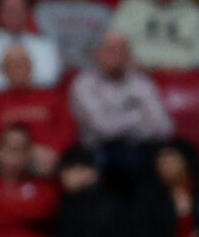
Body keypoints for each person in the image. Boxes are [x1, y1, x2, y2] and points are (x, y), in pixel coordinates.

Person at [69, 34, 173, 185]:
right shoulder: (84, 84)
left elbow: (165, 127)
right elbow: (103, 128)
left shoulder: (142, 82)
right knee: (130, 161)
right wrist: (139, 116)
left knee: (179, 152)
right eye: (111, 50)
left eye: (122, 51)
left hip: (144, 144)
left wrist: (123, 121)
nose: (118, 56)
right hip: (102, 148)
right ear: (96, 54)